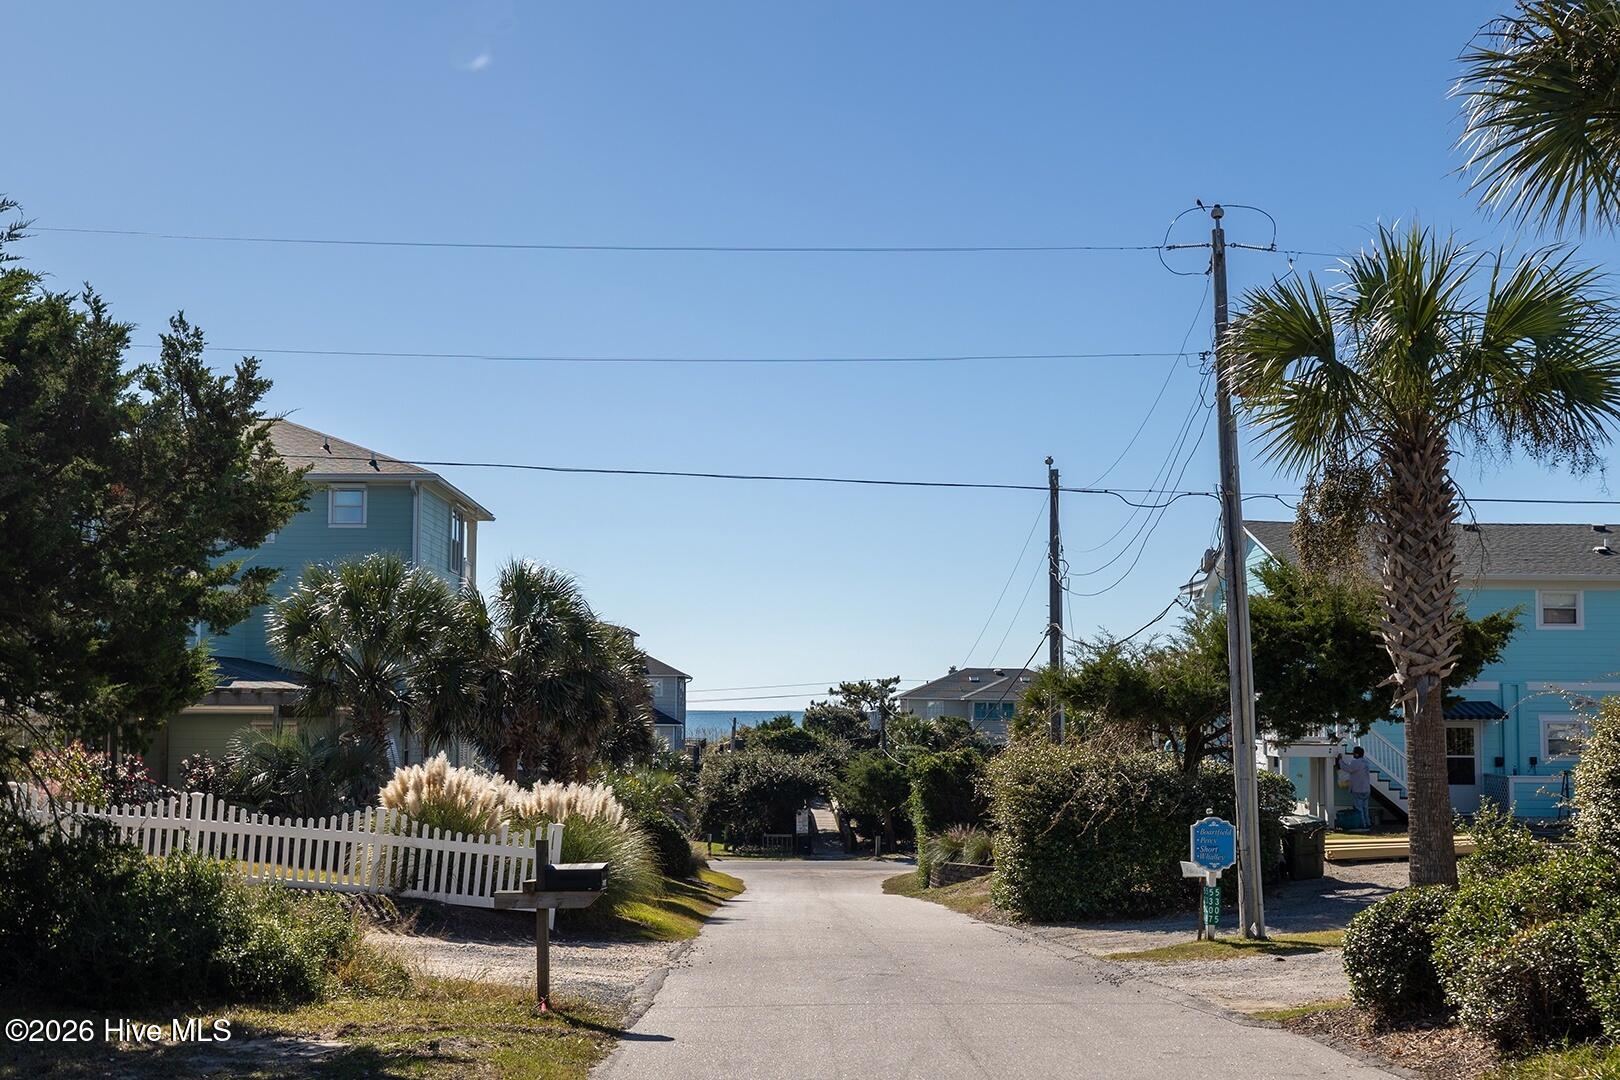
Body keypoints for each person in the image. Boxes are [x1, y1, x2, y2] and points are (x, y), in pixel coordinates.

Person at [1336, 746, 1372, 829]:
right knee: (1365, 808)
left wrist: (1340, 760)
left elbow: (1347, 768)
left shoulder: (1356, 762)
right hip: (1367, 789)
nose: (1353, 755)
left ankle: (1363, 825)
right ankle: (1368, 822)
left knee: (1359, 809)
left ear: (1356, 754)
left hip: (1358, 789)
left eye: (1353, 753)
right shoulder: (1366, 762)